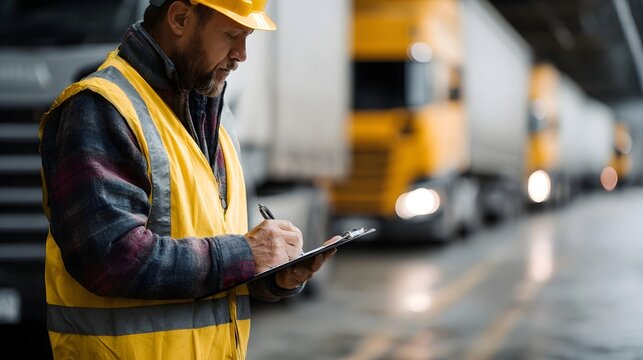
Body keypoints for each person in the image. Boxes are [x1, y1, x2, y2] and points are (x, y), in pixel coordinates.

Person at [38, 0, 337, 358]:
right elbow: (110, 258)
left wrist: (272, 275)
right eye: (231, 35)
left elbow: (205, 246)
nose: (242, 54)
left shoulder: (216, 116)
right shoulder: (101, 108)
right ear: (180, 18)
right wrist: (245, 254)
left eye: (248, 37)